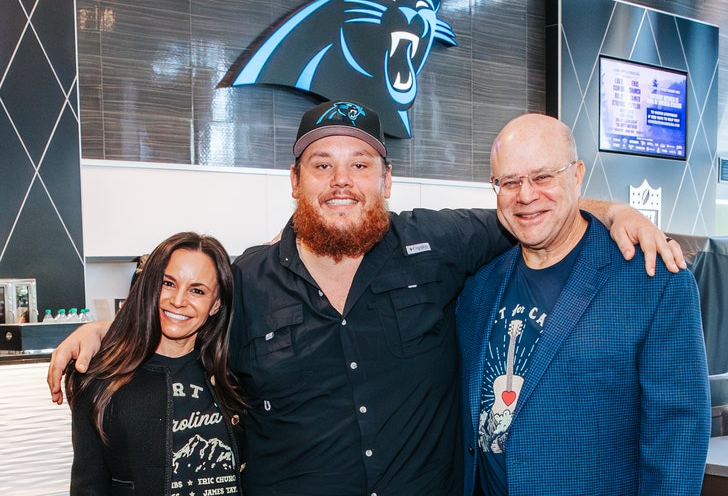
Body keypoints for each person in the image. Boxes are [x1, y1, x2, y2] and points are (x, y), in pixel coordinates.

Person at [50, 101, 685, 495]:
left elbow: (532, 210)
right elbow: (178, 314)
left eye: (360, 164)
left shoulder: (439, 243)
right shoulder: (246, 276)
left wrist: (615, 209)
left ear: (387, 178)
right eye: (322, 164)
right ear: (294, 181)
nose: (342, 181)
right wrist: (99, 333)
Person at [456, 114, 710, 496]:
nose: (525, 195)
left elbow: (679, 433)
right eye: (509, 182)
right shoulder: (477, 288)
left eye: (543, 177)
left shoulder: (654, 280)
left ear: (577, 176)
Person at [64, 232, 246, 495]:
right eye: (168, 283)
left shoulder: (235, 373)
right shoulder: (100, 379)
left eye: (197, 290)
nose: (178, 300)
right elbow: (88, 484)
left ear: (215, 304)